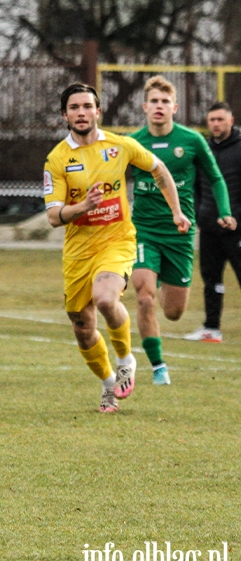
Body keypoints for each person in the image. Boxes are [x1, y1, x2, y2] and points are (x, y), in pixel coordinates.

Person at [44, 82, 182, 412]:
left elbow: (159, 169)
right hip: (78, 252)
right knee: (82, 327)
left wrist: (177, 211)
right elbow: (52, 216)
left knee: (106, 298)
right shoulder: (58, 159)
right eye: (74, 108)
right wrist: (83, 208)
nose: (81, 112)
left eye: (87, 106)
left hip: (117, 241)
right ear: (65, 115)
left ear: (98, 111)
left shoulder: (121, 146)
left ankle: (125, 361)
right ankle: (108, 384)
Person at [128, 77, 235, 385]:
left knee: (173, 311)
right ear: (145, 106)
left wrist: (225, 212)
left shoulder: (191, 140)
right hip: (144, 230)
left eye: (165, 101)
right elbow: (115, 178)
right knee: (144, 297)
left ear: (174, 107)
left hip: (180, 233)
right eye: (154, 101)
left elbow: (215, 178)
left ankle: (162, 279)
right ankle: (158, 365)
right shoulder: (133, 143)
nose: (159, 106)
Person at [184, 101, 241, 343]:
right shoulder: (203, 149)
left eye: (220, 119)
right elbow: (194, 187)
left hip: (237, 229)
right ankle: (211, 327)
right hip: (209, 228)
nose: (216, 124)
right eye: (212, 120)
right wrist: (200, 214)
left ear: (231, 120)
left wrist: (236, 218)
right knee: (211, 279)